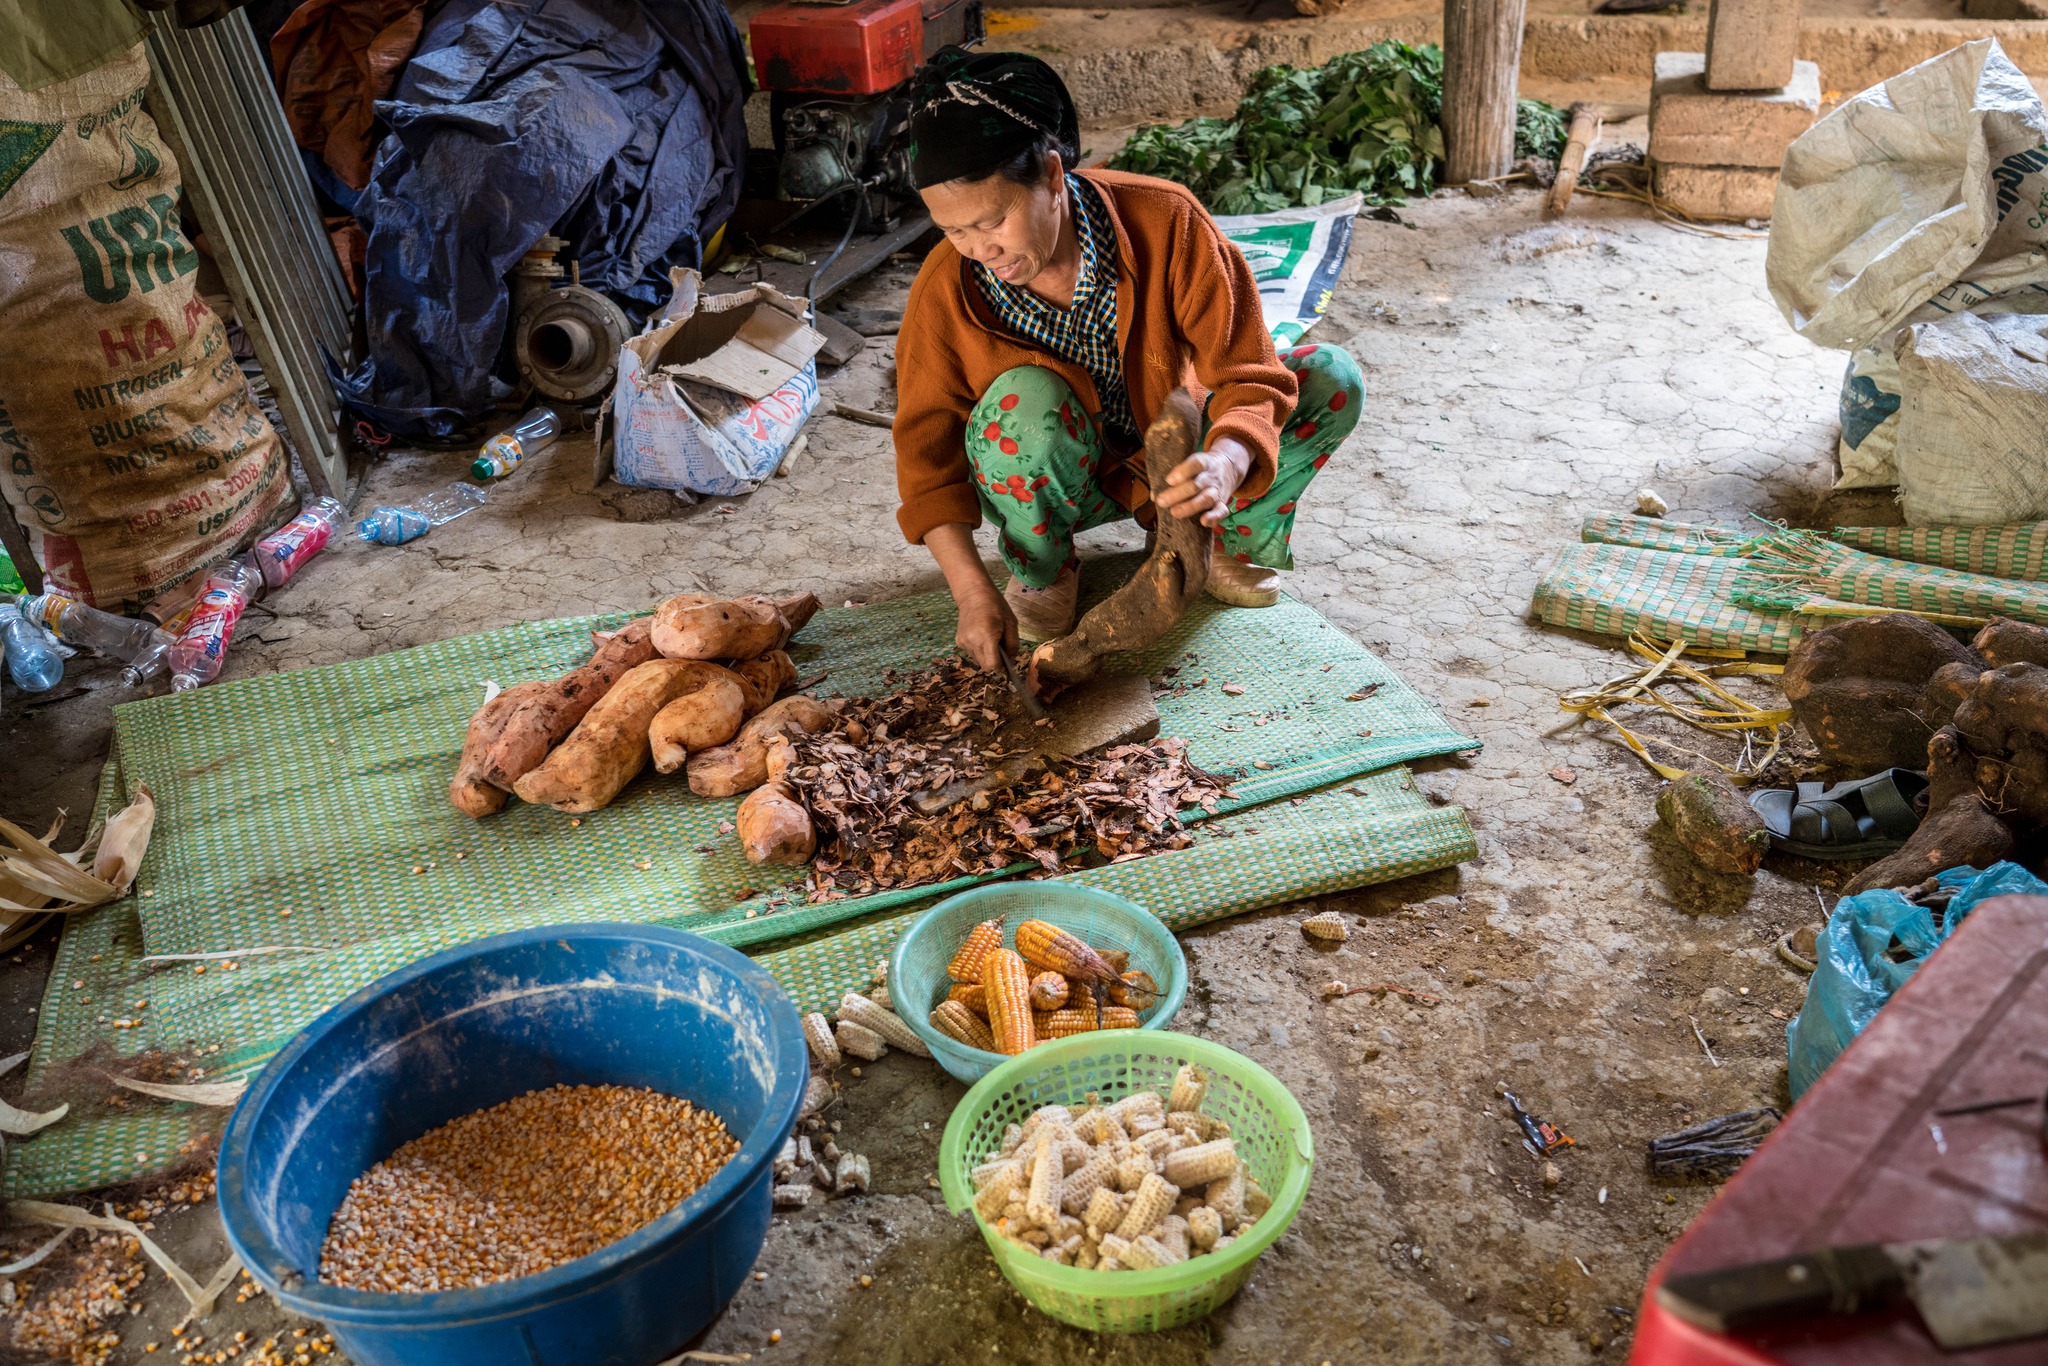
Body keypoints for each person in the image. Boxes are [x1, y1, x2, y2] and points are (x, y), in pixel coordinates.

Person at [892, 48, 1364, 672]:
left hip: (1180, 473)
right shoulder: (949, 287)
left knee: (1330, 378)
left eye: (994, 221)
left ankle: (1222, 533)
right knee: (1024, 406)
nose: (981, 249)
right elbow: (926, 463)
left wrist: (1224, 464)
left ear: (1054, 176)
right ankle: (1043, 567)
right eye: (953, 231)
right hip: (1061, 481)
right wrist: (973, 591)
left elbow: (1250, 371)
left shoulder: (1166, 219)